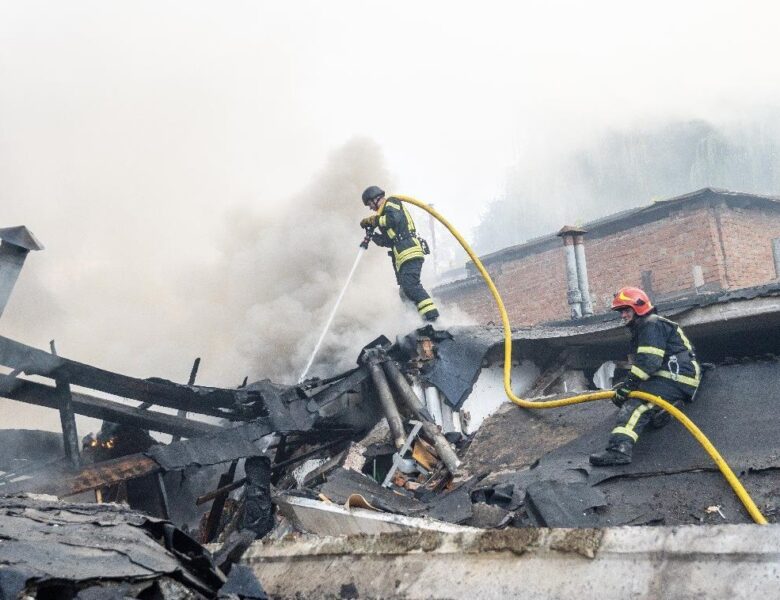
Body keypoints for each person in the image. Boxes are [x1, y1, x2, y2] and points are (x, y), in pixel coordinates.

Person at [589, 286, 700, 466]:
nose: (622, 315)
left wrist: (630, 385)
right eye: (621, 312)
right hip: (671, 377)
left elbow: (649, 362)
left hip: (675, 376)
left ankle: (619, 451)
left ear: (638, 307)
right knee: (623, 396)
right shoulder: (645, 327)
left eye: (626, 310)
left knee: (635, 406)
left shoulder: (651, 324)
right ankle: (661, 410)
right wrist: (626, 386)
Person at [359, 185, 440, 322]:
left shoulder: (392, 202)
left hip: (410, 251)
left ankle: (432, 318)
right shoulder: (383, 216)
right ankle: (418, 322)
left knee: (411, 285)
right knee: (404, 292)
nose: (371, 208)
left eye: (370, 204)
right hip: (401, 256)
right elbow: (388, 241)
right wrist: (372, 236)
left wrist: (373, 220)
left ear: (376, 198)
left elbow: (392, 220)